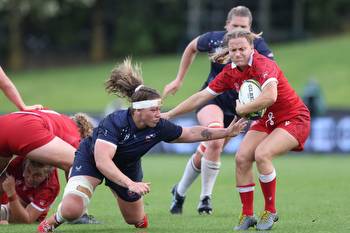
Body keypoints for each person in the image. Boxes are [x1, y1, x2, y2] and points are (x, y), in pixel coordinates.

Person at [37, 58, 247, 233]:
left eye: (159, 109)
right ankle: (52, 222)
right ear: (138, 111)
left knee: (135, 221)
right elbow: (102, 161)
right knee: (73, 209)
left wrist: (226, 132)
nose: (159, 113)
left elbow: (191, 132)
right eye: (154, 110)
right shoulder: (115, 122)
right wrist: (129, 184)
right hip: (92, 160)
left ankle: (125, 199)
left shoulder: (158, 125)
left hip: (126, 165)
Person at [161, 30, 310, 230]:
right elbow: (201, 97)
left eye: (242, 49)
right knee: (241, 158)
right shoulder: (230, 71)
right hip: (267, 119)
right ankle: (247, 215)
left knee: (262, 154)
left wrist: (242, 109)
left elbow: (270, 96)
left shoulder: (263, 64)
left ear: (252, 48)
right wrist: (170, 114)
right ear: (228, 51)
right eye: (234, 50)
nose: (238, 53)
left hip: (294, 118)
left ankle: (270, 211)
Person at [163, 6, 274, 215]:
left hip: (239, 108)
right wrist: (179, 79)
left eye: (244, 27)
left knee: (208, 150)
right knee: (214, 140)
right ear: (227, 25)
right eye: (234, 26)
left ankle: (179, 191)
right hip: (211, 99)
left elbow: (270, 74)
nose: (238, 30)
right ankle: (205, 199)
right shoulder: (214, 40)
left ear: (251, 29)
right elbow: (191, 47)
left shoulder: (258, 47)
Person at [0, 157, 59, 224]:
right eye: (28, 171)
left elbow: (27, 219)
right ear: (25, 163)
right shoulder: (18, 162)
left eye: (37, 175)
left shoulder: (50, 188)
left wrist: (12, 195)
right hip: (17, 198)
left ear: (47, 175)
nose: (30, 178)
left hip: (32, 208)